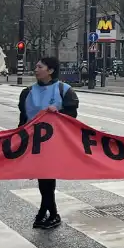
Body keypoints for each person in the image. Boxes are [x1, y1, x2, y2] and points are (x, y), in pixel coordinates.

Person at [18, 56, 79, 229]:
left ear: (50, 71)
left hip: (55, 142)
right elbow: (23, 119)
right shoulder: (27, 92)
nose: (36, 69)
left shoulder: (64, 90)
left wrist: (59, 112)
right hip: (35, 142)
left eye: (40, 67)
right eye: (36, 66)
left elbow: (72, 117)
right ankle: (48, 212)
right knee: (42, 178)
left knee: (46, 177)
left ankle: (49, 213)